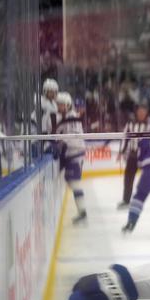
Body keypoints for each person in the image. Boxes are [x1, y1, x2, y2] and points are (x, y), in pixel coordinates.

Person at [118, 103, 150, 210]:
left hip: (146, 155)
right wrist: (121, 152)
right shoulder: (130, 123)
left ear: (146, 112)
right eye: (140, 111)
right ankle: (126, 200)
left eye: (143, 111)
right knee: (128, 178)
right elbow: (125, 138)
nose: (141, 113)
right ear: (137, 112)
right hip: (133, 155)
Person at [55, 92, 88, 224]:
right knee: (71, 181)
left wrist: (60, 141)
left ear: (68, 105)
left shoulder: (72, 117)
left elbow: (74, 138)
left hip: (75, 154)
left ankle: (83, 212)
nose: (59, 106)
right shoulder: (64, 117)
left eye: (62, 104)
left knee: (74, 183)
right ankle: (82, 211)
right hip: (71, 154)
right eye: (58, 104)